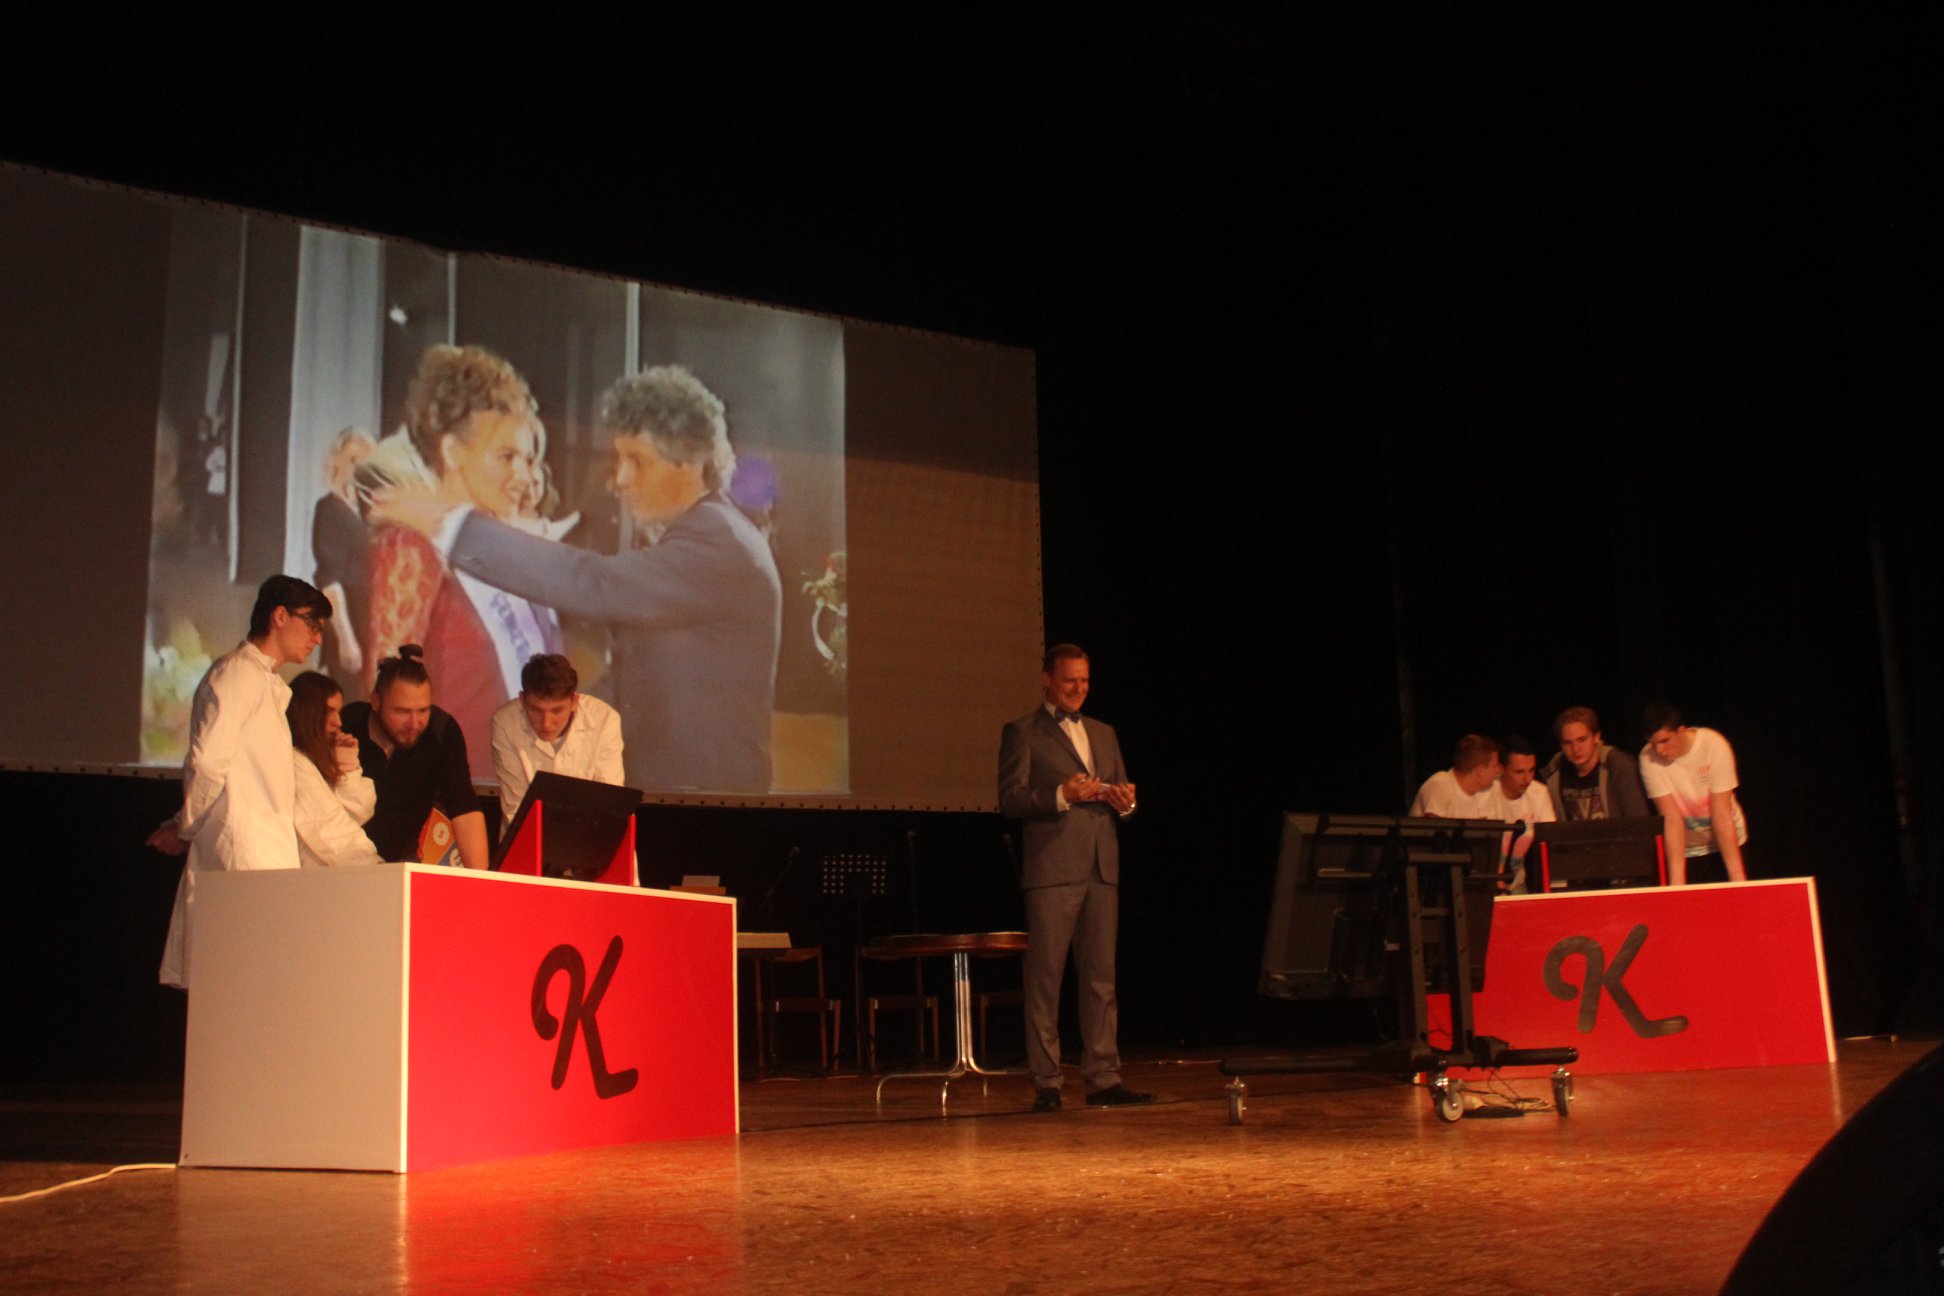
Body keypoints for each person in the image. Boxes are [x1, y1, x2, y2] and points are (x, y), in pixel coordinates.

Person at [372, 364, 781, 794]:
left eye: (637, 461)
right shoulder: (705, 535)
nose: (620, 480)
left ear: (691, 462)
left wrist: (449, 524)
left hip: (703, 804)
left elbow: (594, 582)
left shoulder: (716, 541)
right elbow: (635, 685)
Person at [363, 346, 563, 778]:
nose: (524, 475)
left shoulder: (511, 548)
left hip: (524, 786)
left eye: (529, 459)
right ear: (453, 451)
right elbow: (388, 700)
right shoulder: (411, 546)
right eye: (506, 457)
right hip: (454, 794)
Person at [149, 575, 331, 988]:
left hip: (260, 855)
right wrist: (187, 826)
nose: (317, 638)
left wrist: (185, 823)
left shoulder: (264, 681)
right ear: (279, 616)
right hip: (241, 855)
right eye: (312, 624)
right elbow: (209, 762)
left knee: (256, 981)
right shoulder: (238, 674)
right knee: (239, 980)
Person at [998, 644, 1152, 1111]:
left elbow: (1123, 797)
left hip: (1102, 866)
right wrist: (1061, 795)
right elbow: (1011, 799)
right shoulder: (1023, 732)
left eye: (1084, 681)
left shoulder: (1104, 732)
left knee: (1101, 978)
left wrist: (1126, 803)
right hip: (1053, 870)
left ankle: (1103, 1077)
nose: (1078, 689)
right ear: (1047, 679)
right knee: (1046, 979)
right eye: (1069, 680)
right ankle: (1047, 1082)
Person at [339, 646, 488, 870]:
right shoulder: (347, 724)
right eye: (402, 711)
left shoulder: (441, 731)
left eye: (423, 711)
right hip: (340, 863)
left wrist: (480, 881)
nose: (414, 723)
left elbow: (464, 809)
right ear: (375, 702)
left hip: (400, 867)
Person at [490, 652, 626, 833]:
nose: (546, 723)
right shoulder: (505, 722)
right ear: (522, 700)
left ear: (574, 701)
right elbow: (516, 808)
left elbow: (609, 802)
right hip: (526, 838)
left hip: (592, 837)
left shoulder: (605, 720)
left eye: (557, 711)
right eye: (535, 710)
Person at [1639, 702, 1748, 886]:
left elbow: (1722, 814)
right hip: (1688, 850)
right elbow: (1672, 819)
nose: (1659, 750)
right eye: (1653, 743)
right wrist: (1677, 885)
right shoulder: (1648, 758)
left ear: (1681, 731)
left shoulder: (1714, 745)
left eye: (1665, 741)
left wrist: (1738, 881)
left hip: (1727, 842)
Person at [287, 670, 383, 868]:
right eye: (329, 711)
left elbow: (357, 813)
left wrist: (347, 767)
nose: (338, 722)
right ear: (306, 713)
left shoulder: (314, 761)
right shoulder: (294, 762)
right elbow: (327, 829)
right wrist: (373, 865)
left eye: (338, 712)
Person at [311, 426, 375, 687]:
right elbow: (330, 581)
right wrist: (346, 639)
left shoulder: (368, 508)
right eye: (352, 460)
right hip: (349, 619)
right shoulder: (329, 509)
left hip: (372, 621)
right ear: (337, 461)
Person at [1540, 705, 1651, 821]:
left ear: (1596, 737)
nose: (1576, 749)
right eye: (1568, 743)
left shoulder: (1618, 766)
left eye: (1582, 740)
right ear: (1561, 745)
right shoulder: (1554, 771)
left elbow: (1639, 820)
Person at [1481, 735, 1557, 891]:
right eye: (1519, 772)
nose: (1527, 779)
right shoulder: (1486, 792)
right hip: (1484, 882)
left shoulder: (1539, 793)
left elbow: (1550, 841)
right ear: (1501, 769)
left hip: (1517, 885)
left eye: (1531, 770)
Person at [1409, 735, 1503, 818]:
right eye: (1495, 766)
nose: (1498, 770)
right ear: (1480, 770)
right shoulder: (1440, 784)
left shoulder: (1475, 798)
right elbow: (1436, 830)